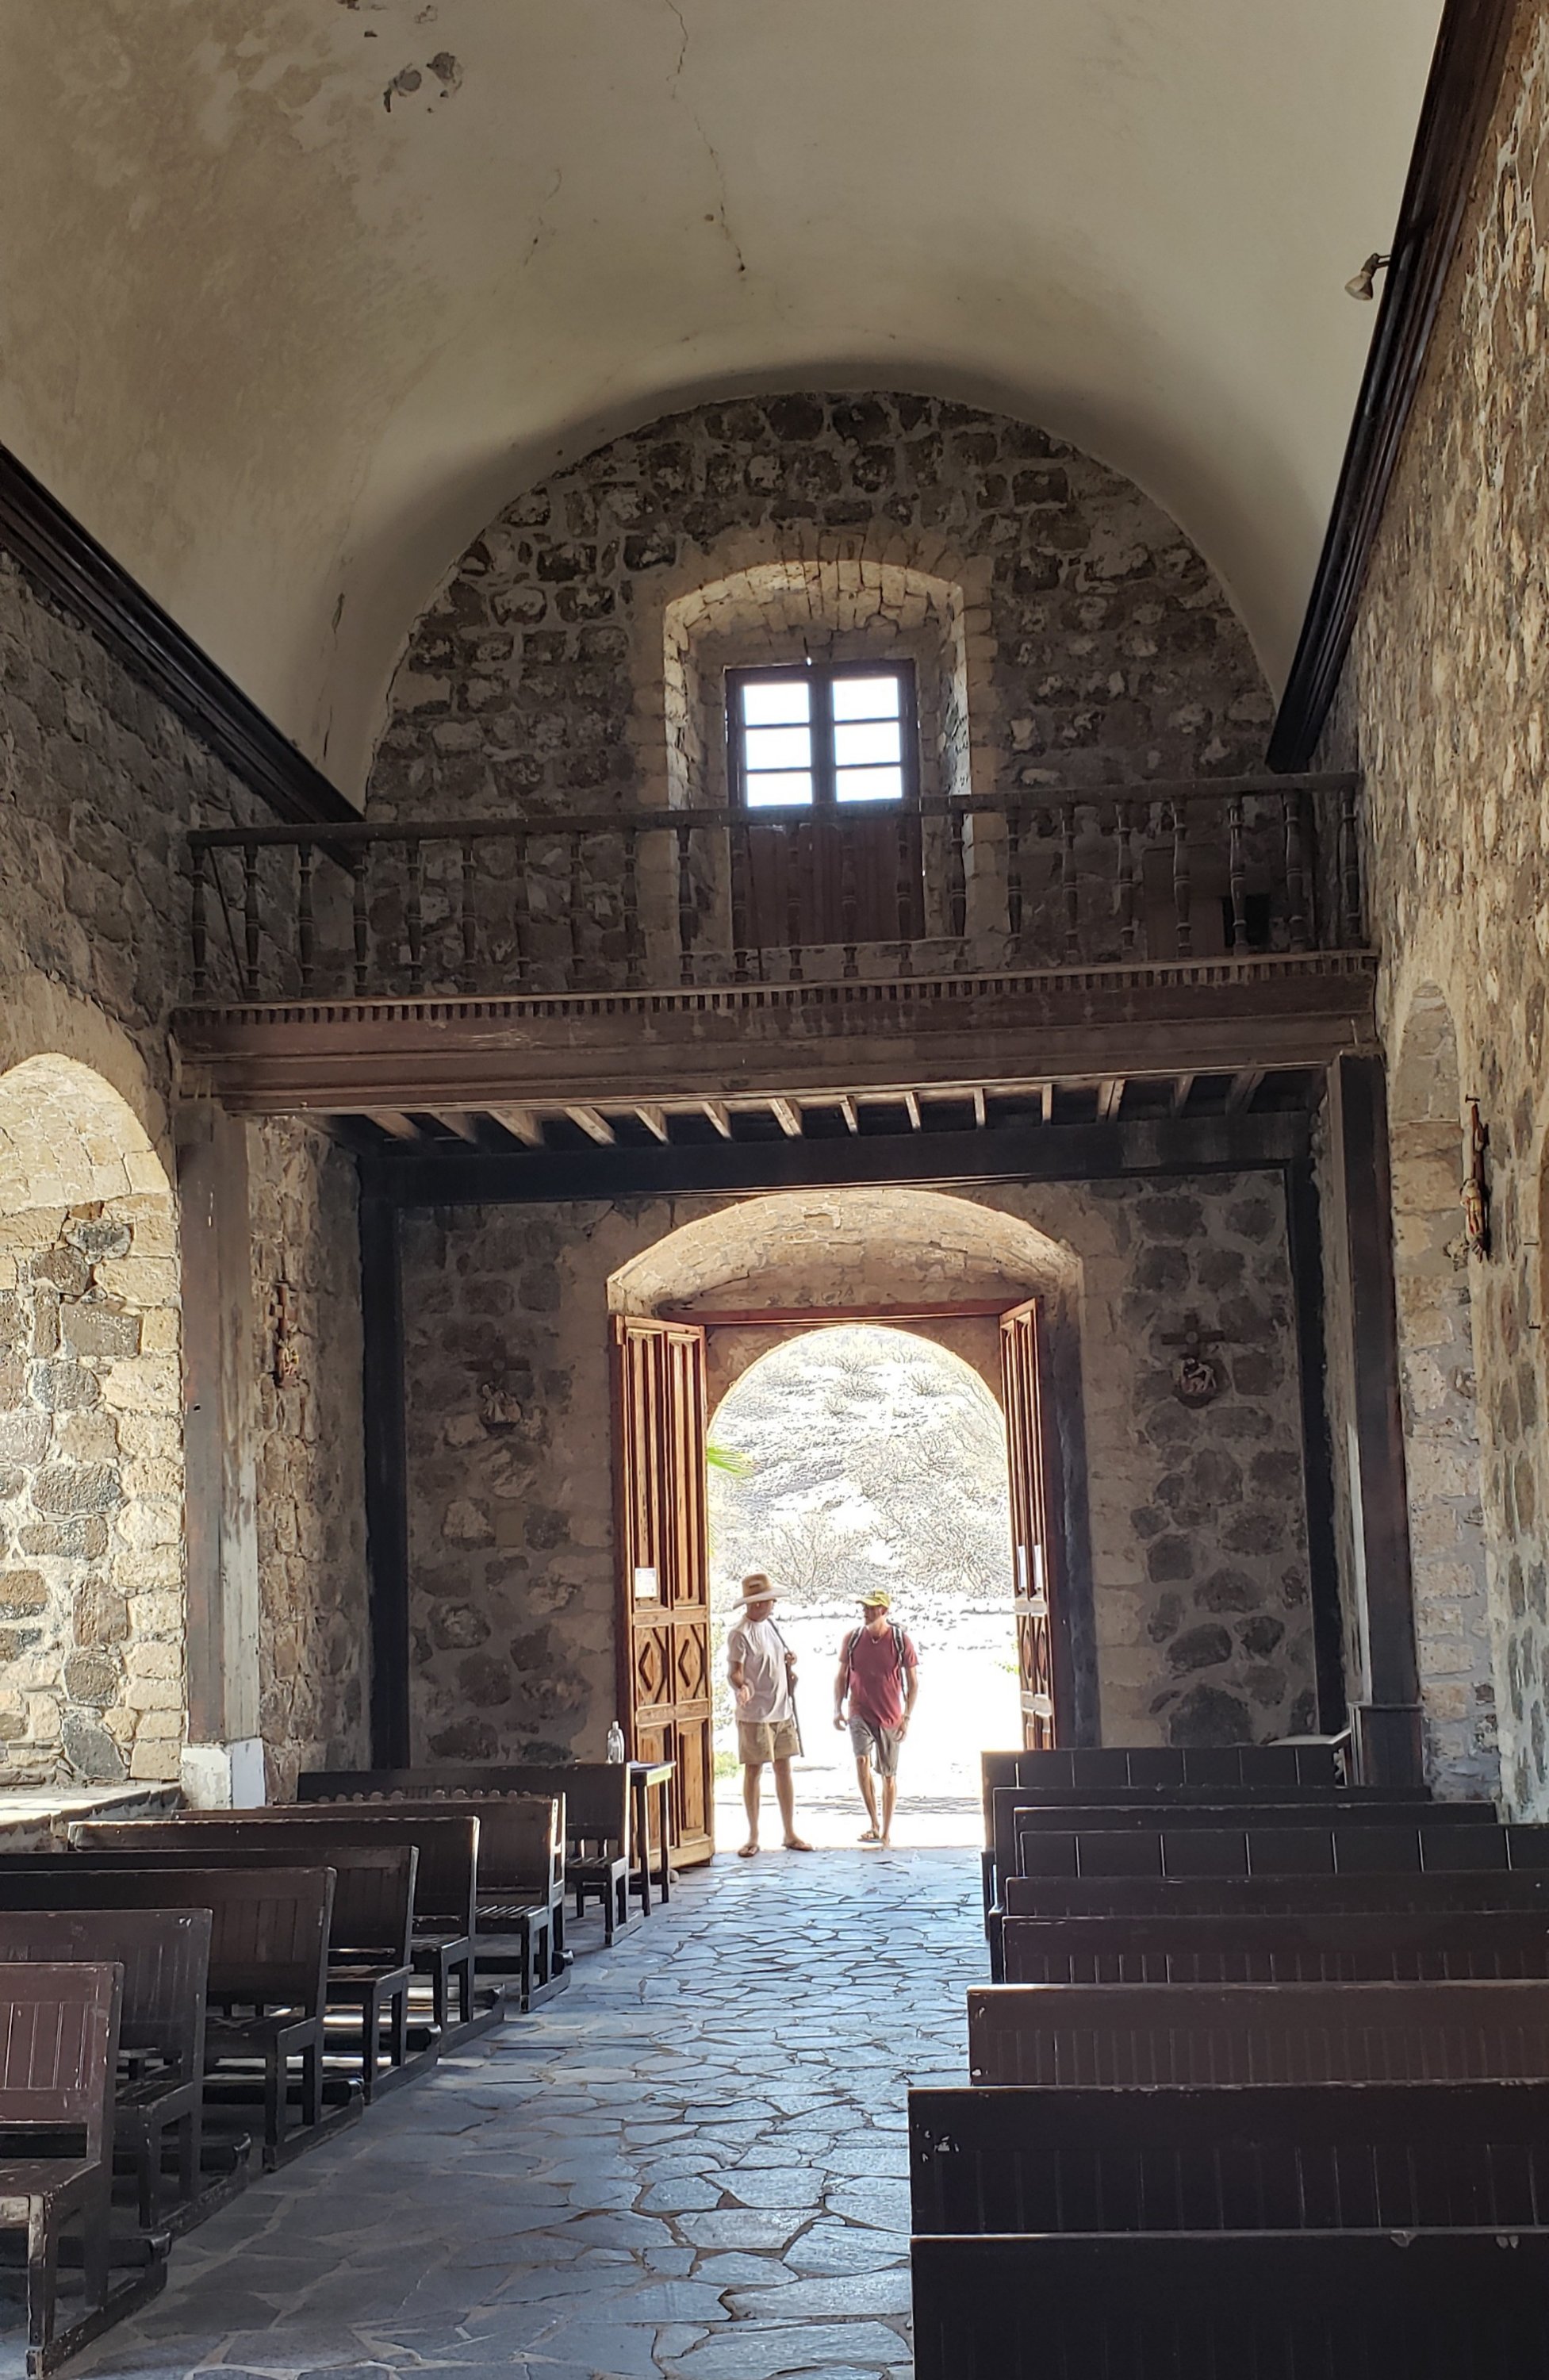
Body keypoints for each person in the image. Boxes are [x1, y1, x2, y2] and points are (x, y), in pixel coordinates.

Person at [726, 1573, 812, 1859]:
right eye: (770, 1600)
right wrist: (743, 1687)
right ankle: (753, 1835)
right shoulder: (740, 1634)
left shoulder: (772, 1626)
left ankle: (789, 1832)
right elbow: (735, 1671)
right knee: (754, 1771)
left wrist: (789, 1662)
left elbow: (775, 1660)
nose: (774, 1604)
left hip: (781, 1709)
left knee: (784, 1768)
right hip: (756, 1714)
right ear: (758, 1603)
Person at [833, 1587, 919, 1847]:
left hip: (890, 1715)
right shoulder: (852, 1639)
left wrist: (907, 1717)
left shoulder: (900, 1641)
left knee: (888, 1775)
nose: (866, 1612)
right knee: (861, 1760)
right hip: (859, 1710)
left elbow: (913, 1682)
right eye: (864, 1607)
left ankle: (887, 1830)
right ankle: (873, 1822)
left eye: (871, 1608)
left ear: (884, 1610)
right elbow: (841, 1675)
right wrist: (837, 1708)